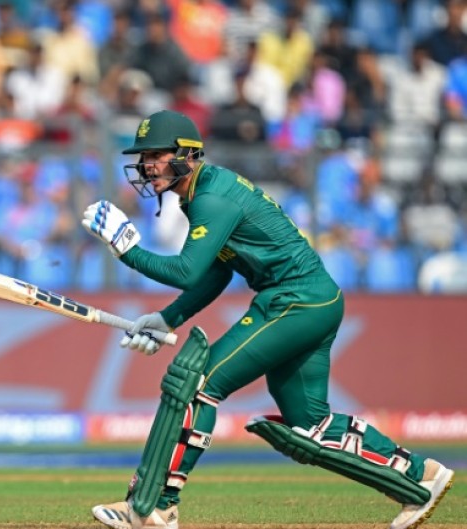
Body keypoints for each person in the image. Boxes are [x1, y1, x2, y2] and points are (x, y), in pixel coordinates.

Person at [81, 110, 454, 529]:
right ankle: (421, 476)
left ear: (186, 154)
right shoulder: (202, 192)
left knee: (198, 382)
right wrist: (168, 318)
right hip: (312, 300)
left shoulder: (211, 197)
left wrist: (126, 247)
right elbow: (216, 272)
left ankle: (155, 507)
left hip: (293, 301)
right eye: (143, 157)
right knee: (309, 425)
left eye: (155, 155)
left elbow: (186, 270)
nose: (147, 166)